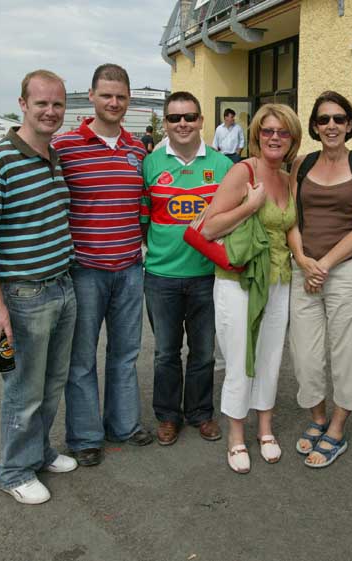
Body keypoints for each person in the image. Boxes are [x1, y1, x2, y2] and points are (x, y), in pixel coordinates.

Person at [0, 69, 78, 505]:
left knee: (51, 384)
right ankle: (13, 471)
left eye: (57, 104)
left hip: (61, 287)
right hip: (22, 296)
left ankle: (39, 452)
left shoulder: (52, 156)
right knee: (23, 390)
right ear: (23, 104)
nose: (50, 112)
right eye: (42, 103)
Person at [51, 63, 153, 468]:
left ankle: (124, 425)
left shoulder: (138, 149)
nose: (114, 102)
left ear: (128, 101)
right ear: (91, 96)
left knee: (126, 353)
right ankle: (84, 436)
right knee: (81, 360)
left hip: (129, 267)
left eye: (121, 96)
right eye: (106, 94)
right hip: (85, 270)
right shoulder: (64, 146)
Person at [201, 103, 301, 474]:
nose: (275, 137)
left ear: (292, 139)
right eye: (268, 131)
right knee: (240, 357)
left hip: (277, 279)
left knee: (270, 355)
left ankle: (265, 428)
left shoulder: (288, 177)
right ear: (257, 134)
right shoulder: (243, 171)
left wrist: (304, 261)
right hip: (239, 280)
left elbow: (289, 226)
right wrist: (251, 204)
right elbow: (210, 227)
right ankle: (236, 435)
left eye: (283, 132)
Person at [286, 91, 352, 468]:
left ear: (350, 124)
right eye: (323, 120)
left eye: (339, 119)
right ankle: (318, 419)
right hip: (304, 268)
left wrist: (323, 264)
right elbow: (290, 217)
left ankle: (337, 428)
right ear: (314, 126)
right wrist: (303, 260)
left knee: (347, 353)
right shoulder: (302, 164)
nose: (331, 126)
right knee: (305, 354)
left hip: (347, 271)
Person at [141, 91, 233, 447]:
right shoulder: (150, 164)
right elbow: (142, 217)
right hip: (161, 276)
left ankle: (199, 413)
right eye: (175, 118)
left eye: (190, 117)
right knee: (165, 353)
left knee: (203, 352)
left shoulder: (223, 165)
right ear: (165, 123)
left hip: (207, 276)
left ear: (201, 121)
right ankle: (167, 416)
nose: (183, 124)